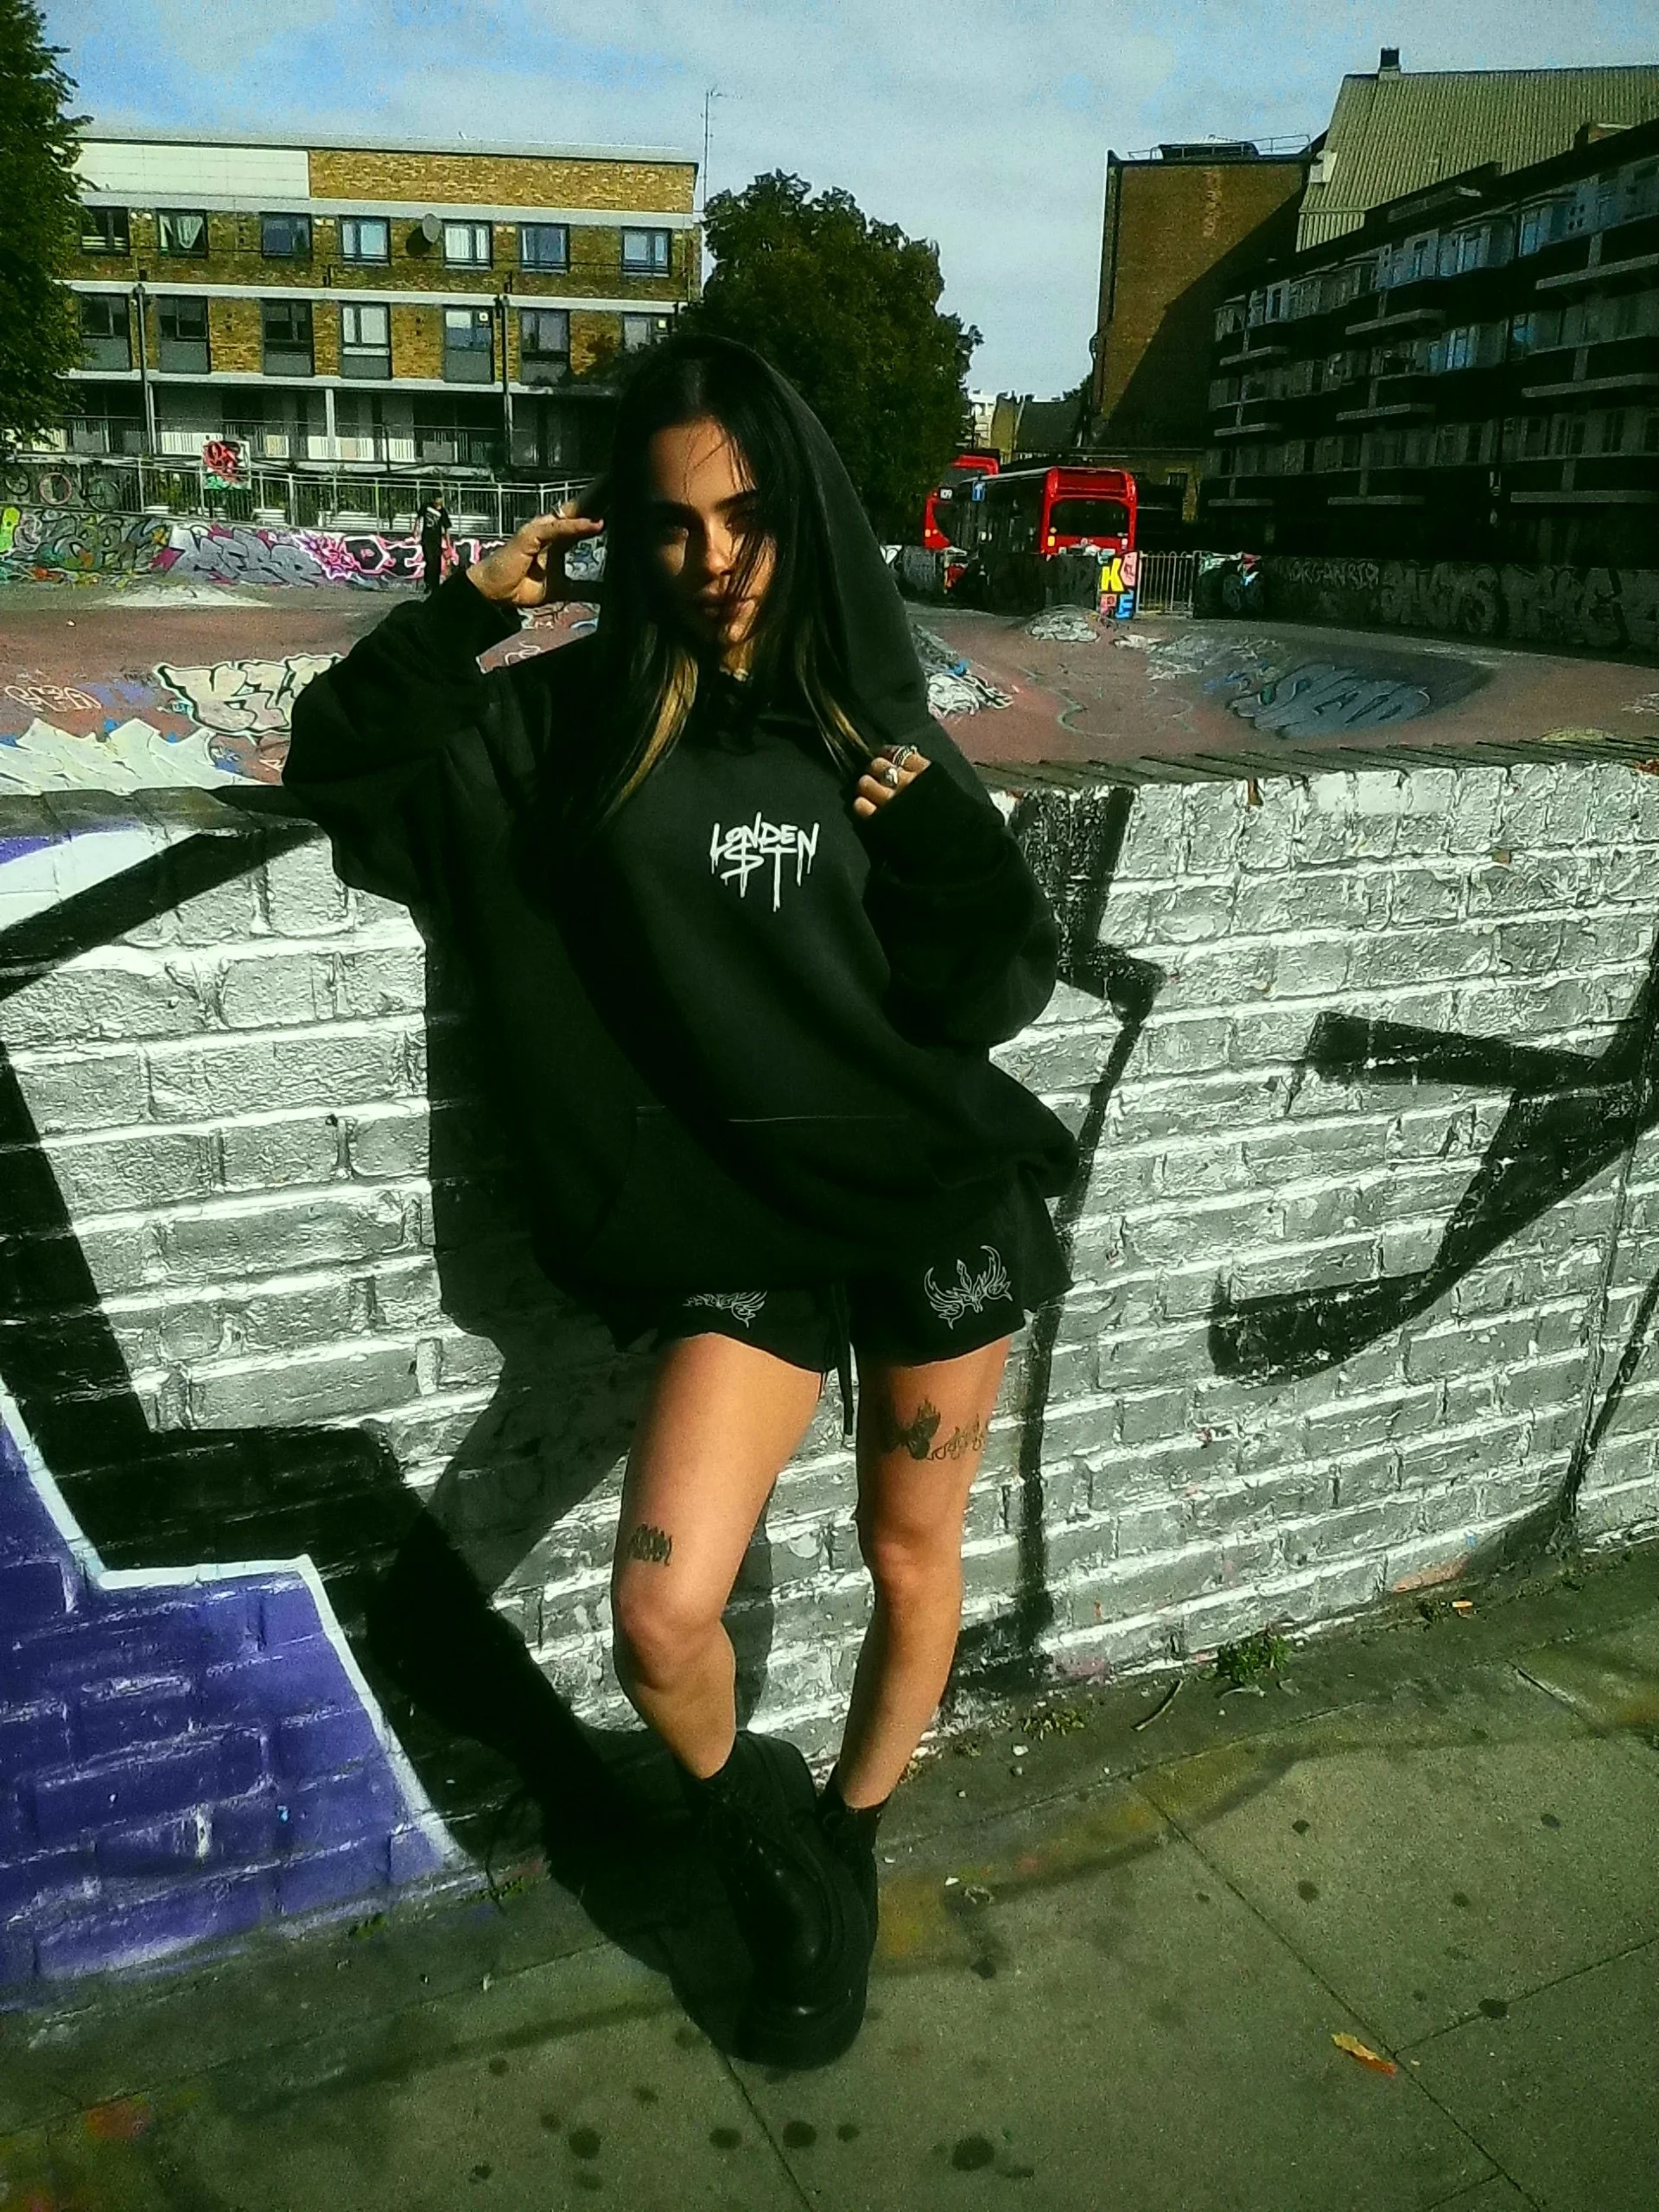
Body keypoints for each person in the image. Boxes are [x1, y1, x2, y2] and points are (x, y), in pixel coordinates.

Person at [283, 336, 1077, 2069]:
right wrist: (465, 610)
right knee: (662, 1611)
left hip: (929, 1194)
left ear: (797, 515)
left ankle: (849, 1843)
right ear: (626, 541)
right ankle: (760, 1840)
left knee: (908, 1550)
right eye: (669, 525)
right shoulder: (568, 729)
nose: (712, 560)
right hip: (733, 1224)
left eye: (745, 519)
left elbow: (994, 985)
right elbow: (341, 757)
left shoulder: (877, 722)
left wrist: (945, 837)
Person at [416, 489, 452, 595]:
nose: (438, 504)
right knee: (430, 561)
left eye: (440, 501)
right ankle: (428, 584)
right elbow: (419, 518)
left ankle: (435, 585)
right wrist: (415, 530)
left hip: (437, 541)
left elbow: (447, 528)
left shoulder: (443, 512)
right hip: (427, 539)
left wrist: (448, 544)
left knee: (437, 563)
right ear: (433, 500)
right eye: (436, 501)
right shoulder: (426, 507)